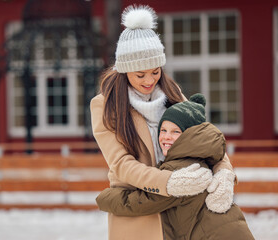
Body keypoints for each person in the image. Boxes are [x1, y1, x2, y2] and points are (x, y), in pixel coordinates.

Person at [90, 5, 236, 240]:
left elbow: (205, 138)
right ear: (125, 71)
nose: (150, 80)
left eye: (155, 71)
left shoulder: (172, 91)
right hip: (140, 215)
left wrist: (224, 173)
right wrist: (169, 182)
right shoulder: (104, 105)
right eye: (140, 75)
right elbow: (121, 164)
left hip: (184, 212)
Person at [96, 94, 254, 240]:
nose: (166, 137)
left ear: (188, 135)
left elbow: (142, 202)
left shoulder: (182, 170)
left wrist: (105, 199)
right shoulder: (201, 158)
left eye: (175, 132)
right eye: (163, 130)